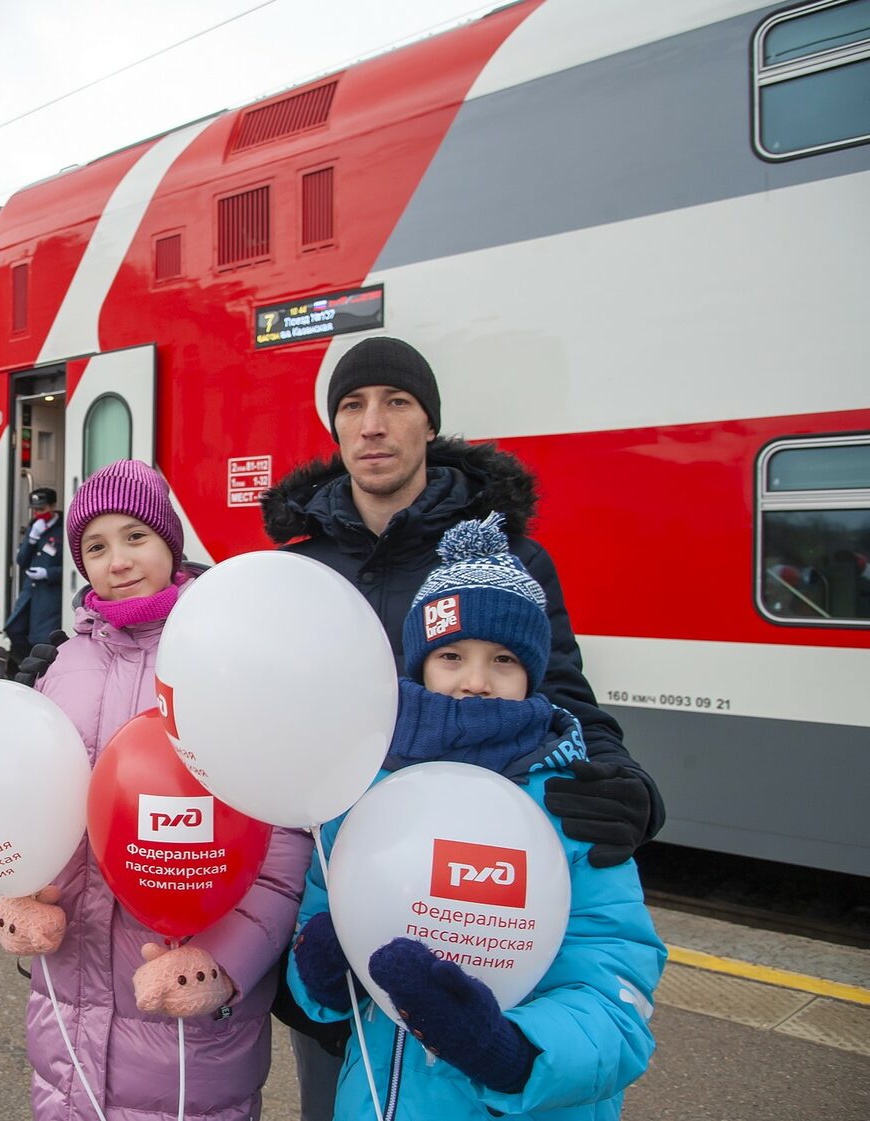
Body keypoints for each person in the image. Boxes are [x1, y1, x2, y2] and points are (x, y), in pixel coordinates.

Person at [258, 337, 665, 1119]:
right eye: (352, 405)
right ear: (336, 429)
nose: (373, 424)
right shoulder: (300, 569)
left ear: (429, 425)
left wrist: (627, 789)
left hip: (480, 901)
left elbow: (566, 696)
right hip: (338, 884)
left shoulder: (510, 557)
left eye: (396, 402)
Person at [0, 460, 313, 1121]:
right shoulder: (65, 664)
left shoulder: (225, 657)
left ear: (171, 542)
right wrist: (1, 897)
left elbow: (281, 848)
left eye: (135, 536)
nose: (118, 560)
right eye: (97, 547)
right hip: (69, 1003)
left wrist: (221, 967)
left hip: (188, 1018)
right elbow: (20, 803)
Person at [3, 487, 63, 660]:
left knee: (41, 639)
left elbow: (70, 568)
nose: (38, 513)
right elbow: (22, 560)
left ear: (53, 506)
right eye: (35, 509)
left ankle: (38, 675)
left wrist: (48, 573)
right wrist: (31, 540)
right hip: (30, 591)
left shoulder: (61, 530)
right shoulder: (34, 527)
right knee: (14, 629)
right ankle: (26, 666)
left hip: (49, 594)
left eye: (42, 509)